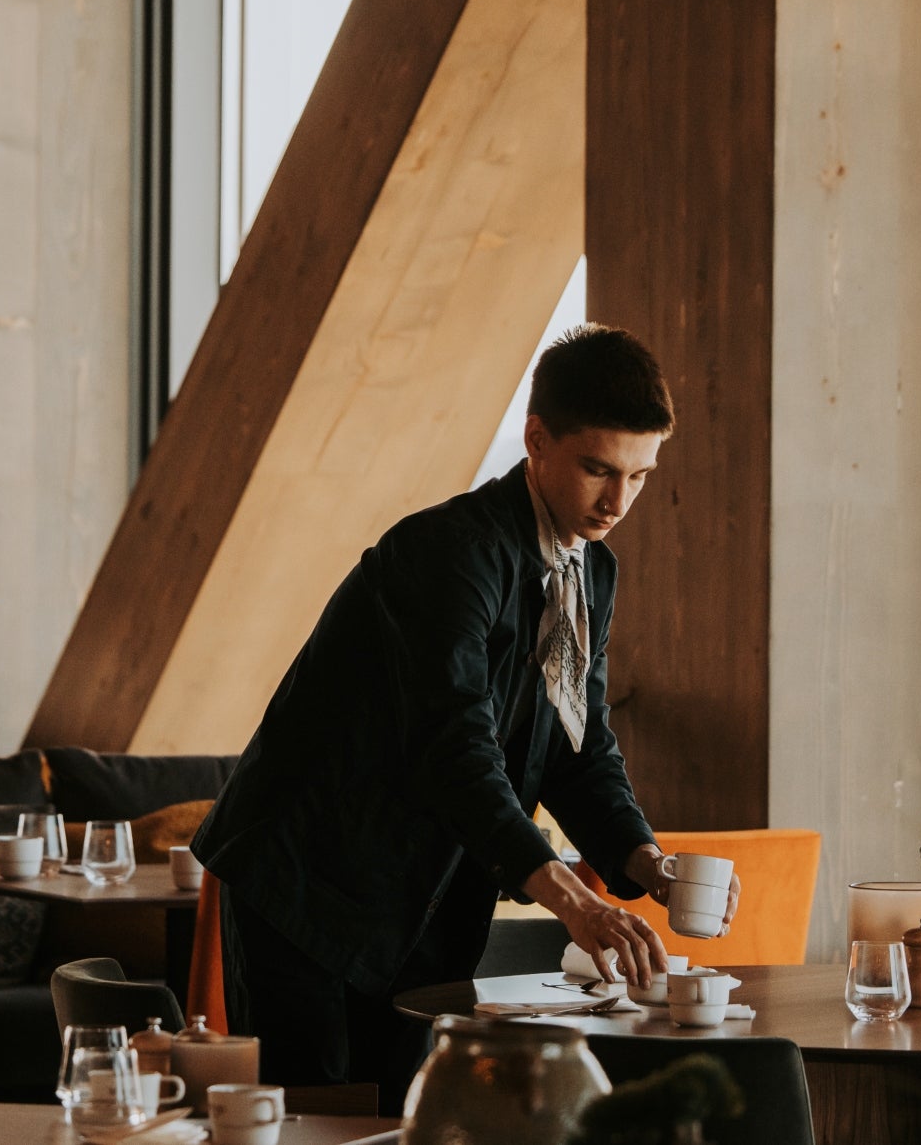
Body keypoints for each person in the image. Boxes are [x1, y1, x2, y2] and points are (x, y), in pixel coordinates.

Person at [192, 324, 737, 1095]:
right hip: (306, 878)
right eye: (596, 470)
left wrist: (645, 862)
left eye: (640, 476)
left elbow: (578, 749)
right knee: (315, 1118)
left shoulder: (590, 573)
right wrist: (573, 900)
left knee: (406, 1115)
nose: (618, 502)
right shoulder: (449, 554)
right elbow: (455, 750)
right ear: (535, 439)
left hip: (427, 888)